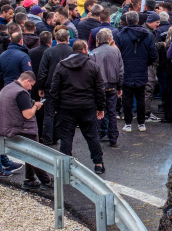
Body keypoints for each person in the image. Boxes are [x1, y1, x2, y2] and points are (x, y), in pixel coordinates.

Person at [49, 40, 106, 173]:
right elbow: (99, 89)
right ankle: (98, 163)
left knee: (66, 136)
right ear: (85, 50)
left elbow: (54, 89)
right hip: (87, 106)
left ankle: (65, 165)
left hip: (67, 106)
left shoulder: (61, 66)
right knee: (92, 135)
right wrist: (100, 107)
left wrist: (56, 106)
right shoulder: (92, 66)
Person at [0, 71, 52, 189]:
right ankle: (46, 181)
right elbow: (28, 114)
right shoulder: (21, 93)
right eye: (31, 85)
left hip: (8, 126)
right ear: (27, 81)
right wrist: (36, 106)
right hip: (23, 128)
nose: (31, 88)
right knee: (35, 155)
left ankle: (29, 179)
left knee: (28, 155)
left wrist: (31, 103)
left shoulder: (7, 88)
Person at [116, 11, 157, 134]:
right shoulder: (148, 35)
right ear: (138, 20)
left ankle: (128, 123)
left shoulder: (120, 35)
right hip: (141, 69)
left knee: (127, 98)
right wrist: (145, 63)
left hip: (126, 69)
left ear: (127, 21)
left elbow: (117, 54)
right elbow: (154, 54)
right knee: (141, 97)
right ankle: (141, 123)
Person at [36, 28, 72, 145]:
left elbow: (42, 71)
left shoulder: (49, 52)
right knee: (65, 115)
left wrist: (40, 87)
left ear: (55, 38)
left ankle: (47, 139)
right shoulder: (72, 52)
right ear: (68, 38)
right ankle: (64, 140)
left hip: (50, 87)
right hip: (68, 88)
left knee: (49, 114)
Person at [91, 28, 123, 147]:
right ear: (109, 39)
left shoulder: (93, 53)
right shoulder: (116, 51)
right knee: (112, 112)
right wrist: (120, 87)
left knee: (99, 111)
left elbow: (92, 72)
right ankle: (113, 137)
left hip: (99, 87)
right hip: (112, 86)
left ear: (97, 40)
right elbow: (121, 71)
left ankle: (99, 134)